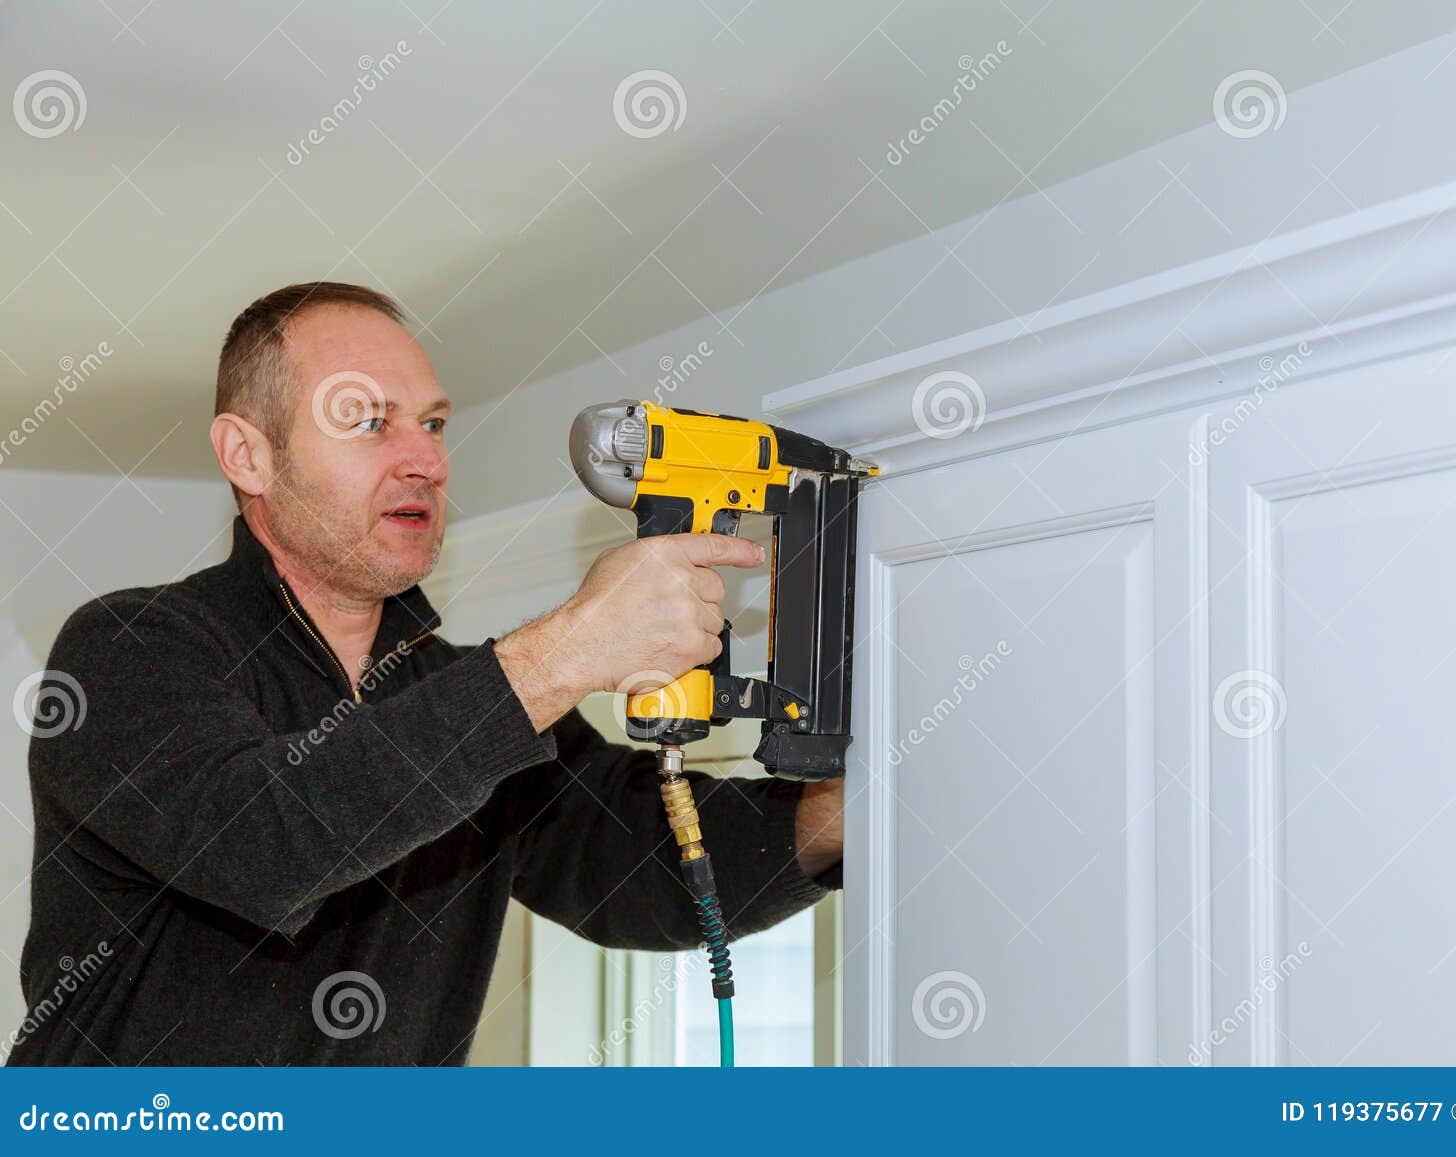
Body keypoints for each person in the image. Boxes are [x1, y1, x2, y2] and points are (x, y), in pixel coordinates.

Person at [5, 282, 842, 1065]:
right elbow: (267, 843)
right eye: (369, 422)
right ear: (248, 456)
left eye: (434, 426)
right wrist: (570, 649)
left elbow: (646, 869)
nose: (426, 463)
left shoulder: (453, 692)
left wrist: (850, 806)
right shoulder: (130, 649)